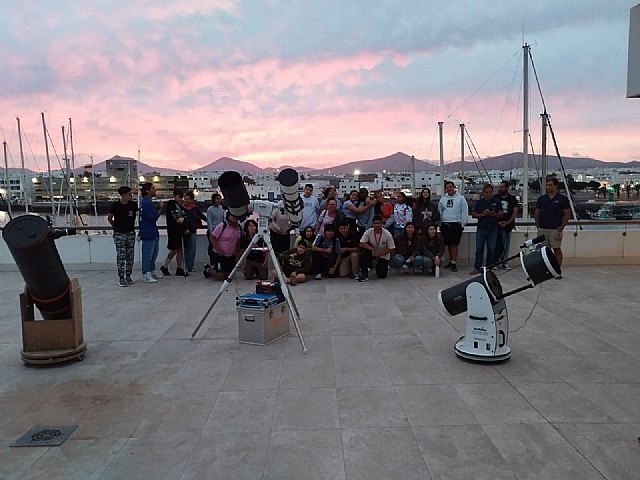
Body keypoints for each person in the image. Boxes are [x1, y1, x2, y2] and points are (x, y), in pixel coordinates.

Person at [535, 177, 571, 266]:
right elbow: (536, 212)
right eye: (547, 185)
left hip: (555, 229)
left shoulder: (562, 199)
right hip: (543, 229)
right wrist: (538, 226)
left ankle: (557, 269)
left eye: (550, 185)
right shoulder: (542, 199)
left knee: (557, 250)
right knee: (543, 251)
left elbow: (567, 214)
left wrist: (561, 227)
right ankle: (546, 269)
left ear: (555, 186)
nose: (548, 187)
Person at [108, 186, 138, 287]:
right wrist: (115, 227)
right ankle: (121, 277)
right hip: (119, 234)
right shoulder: (116, 205)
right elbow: (110, 217)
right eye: (129, 194)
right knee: (121, 256)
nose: (131, 196)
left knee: (130, 255)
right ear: (124, 195)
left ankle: (128, 275)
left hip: (130, 233)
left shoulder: (133, 205)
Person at [470, 183, 503, 274]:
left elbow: (501, 214)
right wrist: (483, 215)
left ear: (492, 192)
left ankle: (489, 268)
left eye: (490, 192)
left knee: (491, 249)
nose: (488, 194)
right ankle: (477, 268)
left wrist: (492, 214)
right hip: (481, 229)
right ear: (483, 193)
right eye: (486, 192)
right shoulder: (479, 203)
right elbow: (473, 214)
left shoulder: (497, 202)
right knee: (479, 249)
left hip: (493, 229)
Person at [438, 181, 468, 272]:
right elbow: (440, 211)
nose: (449, 189)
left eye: (450, 187)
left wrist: (463, 223)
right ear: (445, 189)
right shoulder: (443, 199)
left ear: (454, 187)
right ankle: (450, 261)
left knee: (454, 244)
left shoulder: (461, 198)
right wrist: (440, 223)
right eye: (447, 187)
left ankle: (454, 262)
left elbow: (465, 211)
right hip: (445, 224)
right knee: (447, 244)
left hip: (456, 224)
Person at [204, 211, 242, 280]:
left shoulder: (239, 228)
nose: (234, 217)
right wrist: (218, 250)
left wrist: (237, 252)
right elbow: (212, 237)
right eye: (232, 216)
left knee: (229, 275)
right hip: (220, 255)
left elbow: (238, 241)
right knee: (220, 276)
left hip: (231, 256)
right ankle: (208, 269)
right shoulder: (222, 226)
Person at [358, 215, 395, 281]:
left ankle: (379, 267)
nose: (377, 225)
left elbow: (392, 248)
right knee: (363, 251)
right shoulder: (368, 231)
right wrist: (372, 249)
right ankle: (364, 273)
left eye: (378, 223)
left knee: (382, 275)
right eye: (375, 223)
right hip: (372, 251)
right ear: (372, 224)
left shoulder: (387, 234)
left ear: (381, 224)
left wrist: (380, 253)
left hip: (383, 253)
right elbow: (361, 243)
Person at [138, 182, 162, 284]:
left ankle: (151, 270)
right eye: (152, 188)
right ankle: (146, 273)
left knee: (154, 252)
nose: (154, 190)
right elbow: (153, 217)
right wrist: (160, 208)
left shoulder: (147, 202)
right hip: (148, 232)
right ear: (147, 191)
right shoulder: (147, 203)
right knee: (148, 253)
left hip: (152, 231)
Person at [160, 189, 188, 277]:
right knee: (174, 249)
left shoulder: (180, 206)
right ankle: (164, 265)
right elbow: (173, 215)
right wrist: (178, 219)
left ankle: (179, 268)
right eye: (179, 197)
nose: (181, 199)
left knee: (180, 250)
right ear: (175, 196)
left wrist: (183, 219)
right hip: (173, 231)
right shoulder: (171, 204)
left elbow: (184, 215)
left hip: (180, 231)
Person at [495, 180, 519, 270]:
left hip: (508, 226)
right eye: (499, 187)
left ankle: (505, 262)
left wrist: (508, 222)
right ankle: (496, 262)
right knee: (497, 245)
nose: (500, 188)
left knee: (506, 245)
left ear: (506, 188)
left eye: (502, 187)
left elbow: (514, 212)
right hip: (497, 226)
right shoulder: (496, 198)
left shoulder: (512, 199)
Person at [182, 190, 207, 272]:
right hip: (184, 232)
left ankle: (190, 266)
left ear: (192, 200)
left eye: (188, 199)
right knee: (185, 250)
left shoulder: (195, 208)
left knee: (192, 249)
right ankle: (185, 266)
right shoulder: (182, 209)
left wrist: (210, 222)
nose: (186, 201)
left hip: (193, 231)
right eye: (185, 199)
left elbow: (202, 216)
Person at [206, 193, 225, 264]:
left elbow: (223, 220)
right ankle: (213, 262)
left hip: (220, 231)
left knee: (220, 246)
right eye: (217, 199)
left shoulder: (222, 208)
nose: (218, 200)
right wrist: (211, 232)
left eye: (219, 199)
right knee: (212, 246)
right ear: (213, 200)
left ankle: (219, 261)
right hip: (213, 231)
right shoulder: (210, 210)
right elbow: (209, 222)